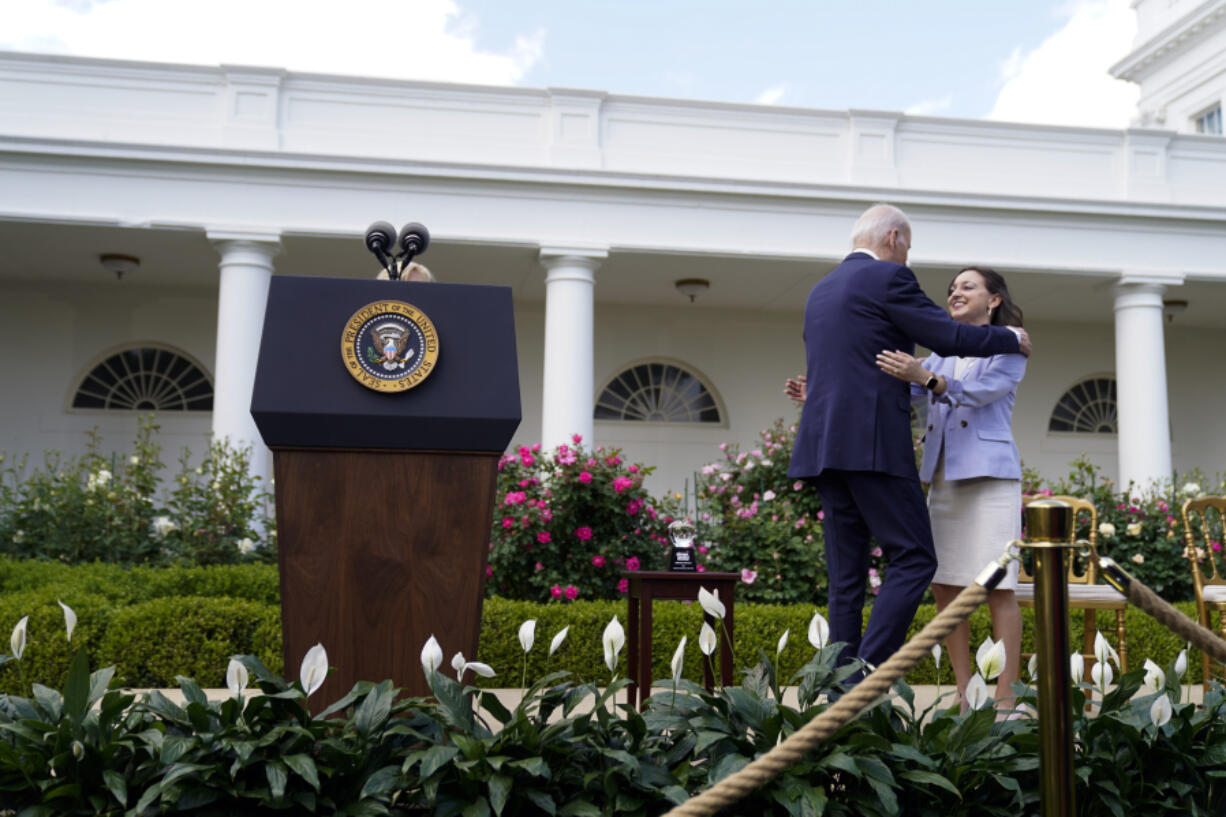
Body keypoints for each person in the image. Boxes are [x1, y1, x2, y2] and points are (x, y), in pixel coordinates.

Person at [786, 203, 1030, 679]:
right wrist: (1011, 337)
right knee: (916, 558)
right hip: (873, 446)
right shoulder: (887, 279)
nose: (908, 261)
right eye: (909, 250)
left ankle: (837, 685)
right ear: (894, 237)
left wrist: (817, 395)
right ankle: (865, 678)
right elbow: (948, 336)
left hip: (824, 449)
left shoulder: (821, 290)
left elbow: (849, 365)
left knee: (846, 578)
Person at [875, 266, 1026, 710]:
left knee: (999, 587)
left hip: (992, 479)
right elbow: (908, 392)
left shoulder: (1011, 344)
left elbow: (979, 393)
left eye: (967, 286)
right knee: (945, 587)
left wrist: (924, 377)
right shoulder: (940, 351)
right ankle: (966, 693)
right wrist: (826, 392)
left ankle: (1004, 698)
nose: (955, 292)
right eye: (952, 288)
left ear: (993, 299)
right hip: (942, 477)